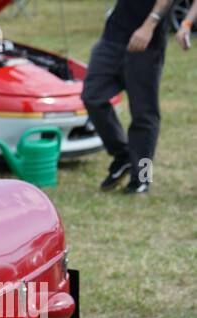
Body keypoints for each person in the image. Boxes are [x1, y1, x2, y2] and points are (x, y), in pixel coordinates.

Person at [82, 0, 175, 196]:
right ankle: (122, 155)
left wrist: (149, 25)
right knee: (92, 96)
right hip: (113, 35)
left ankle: (142, 178)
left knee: (144, 114)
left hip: (147, 41)